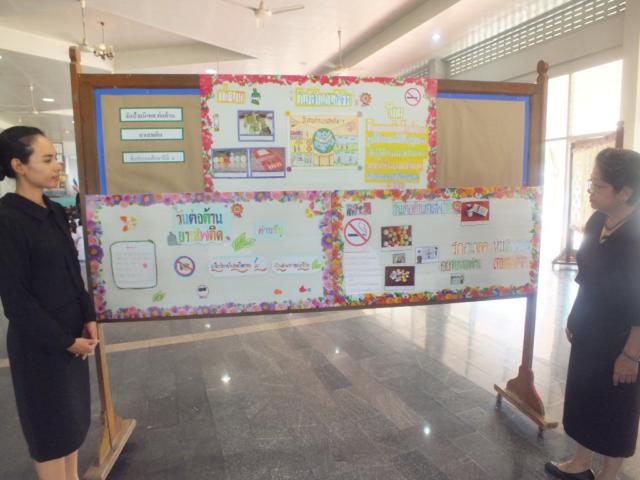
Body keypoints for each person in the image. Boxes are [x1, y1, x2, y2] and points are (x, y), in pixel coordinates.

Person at [0, 126, 98, 480]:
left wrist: (88, 317)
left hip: (72, 337)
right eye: (47, 159)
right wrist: (66, 342)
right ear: (19, 166)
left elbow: (73, 271)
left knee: (71, 426)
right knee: (49, 434)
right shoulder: (7, 220)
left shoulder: (54, 211)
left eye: (55, 158)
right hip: (40, 346)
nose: (57, 166)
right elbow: (16, 300)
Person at [545, 148, 640, 480]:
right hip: (590, 328)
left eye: (598, 186)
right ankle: (581, 462)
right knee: (584, 394)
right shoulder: (597, 221)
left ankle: (608, 475)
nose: (590, 192)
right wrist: (575, 315)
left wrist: (631, 354)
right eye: (591, 183)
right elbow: (585, 275)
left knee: (618, 407)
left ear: (625, 192)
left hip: (622, 336)